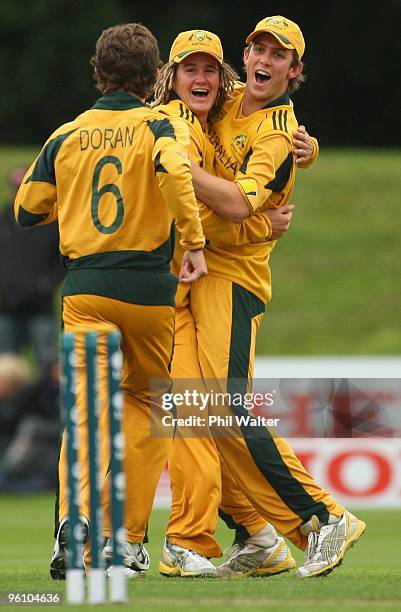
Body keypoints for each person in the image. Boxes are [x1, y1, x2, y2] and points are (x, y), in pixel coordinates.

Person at [158, 17, 365, 579]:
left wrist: (180, 169)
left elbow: (237, 205)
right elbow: (193, 99)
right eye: (258, 49)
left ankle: (324, 517)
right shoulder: (226, 100)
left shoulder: (276, 133)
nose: (264, 61)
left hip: (234, 280)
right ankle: (254, 533)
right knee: (196, 411)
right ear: (245, 55)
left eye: (279, 56)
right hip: (194, 275)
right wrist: (314, 148)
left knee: (227, 405)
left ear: (294, 71)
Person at [14, 22, 207, 579]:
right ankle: (124, 541)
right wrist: (193, 242)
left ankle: (73, 532)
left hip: (87, 290)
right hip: (148, 289)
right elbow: (173, 173)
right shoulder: (157, 125)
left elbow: (28, 208)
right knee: (148, 405)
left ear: (98, 72)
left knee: (84, 414)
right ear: (154, 79)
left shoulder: (67, 134)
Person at [0, 166, 65, 372]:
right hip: (6, 306)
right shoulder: (3, 219)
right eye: (15, 187)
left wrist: (46, 285)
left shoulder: (52, 220)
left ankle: (46, 403)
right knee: (7, 368)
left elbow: (64, 258)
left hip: (40, 306)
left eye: (22, 187)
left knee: (46, 365)